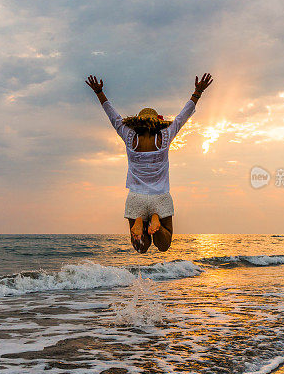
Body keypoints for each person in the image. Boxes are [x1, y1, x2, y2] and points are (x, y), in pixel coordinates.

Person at [85, 73, 213, 253]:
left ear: (137, 122)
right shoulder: (165, 136)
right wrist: (197, 92)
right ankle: (156, 220)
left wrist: (99, 92)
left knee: (141, 247)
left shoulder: (129, 136)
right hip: (160, 196)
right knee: (163, 245)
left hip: (136, 197)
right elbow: (182, 117)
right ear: (157, 122)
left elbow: (113, 116)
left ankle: (140, 222)